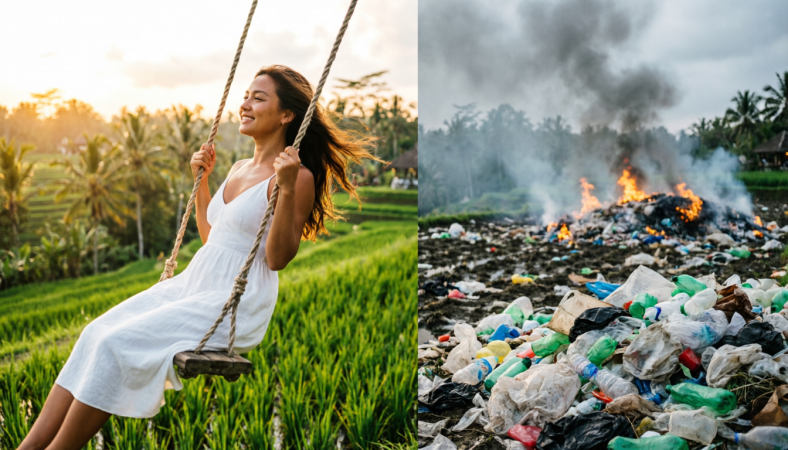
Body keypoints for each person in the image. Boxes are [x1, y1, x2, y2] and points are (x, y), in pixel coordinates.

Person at [19, 65, 377, 450]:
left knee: (115, 346)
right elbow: (213, 238)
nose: (245, 105)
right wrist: (203, 181)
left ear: (287, 115)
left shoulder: (294, 176)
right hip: (196, 282)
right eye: (246, 96)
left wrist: (287, 189)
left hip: (232, 301)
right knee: (94, 334)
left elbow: (276, 259)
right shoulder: (240, 168)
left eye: (259, 98)